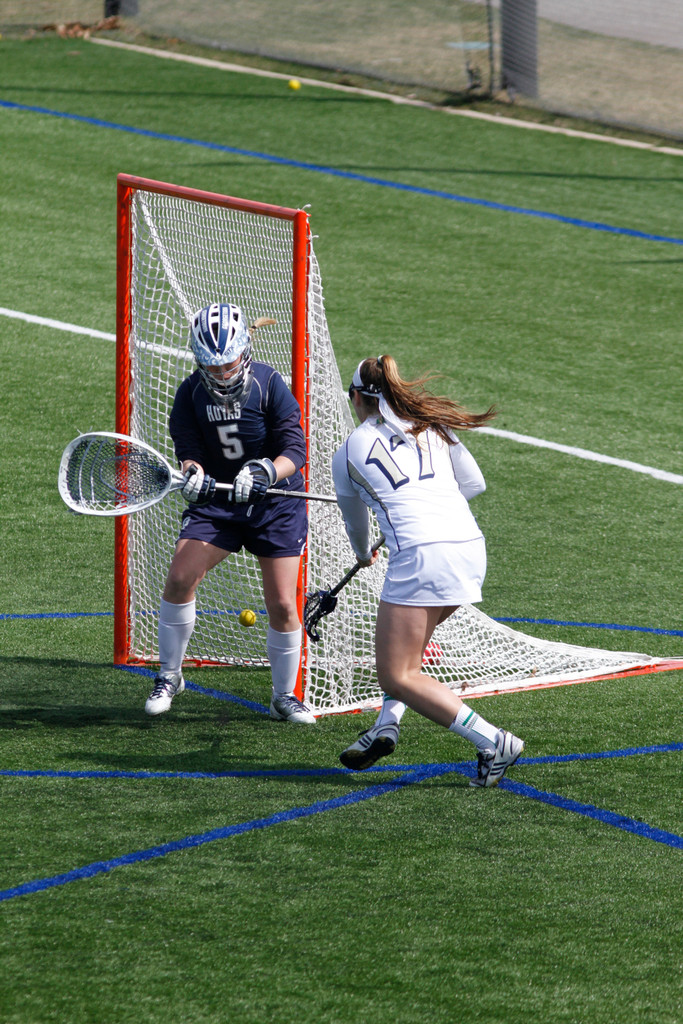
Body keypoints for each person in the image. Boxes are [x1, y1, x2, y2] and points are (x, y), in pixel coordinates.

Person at [331, 356, 524, 787]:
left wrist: (364, 553)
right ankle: (386, 725)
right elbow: (473, 484)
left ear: (359, 399)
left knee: (396, 674)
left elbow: (355, 526)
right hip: (470, 549)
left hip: (421, 558)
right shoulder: (432, 425)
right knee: (408, 655)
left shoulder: (347, 452)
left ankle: (493, 742)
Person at [144, 302, 315, 725]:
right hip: (218, 504)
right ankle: (169, 675)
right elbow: (189, 452)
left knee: (281, 602)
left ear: (246, 351)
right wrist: (194, 475)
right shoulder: (189, 394)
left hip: (276, 502)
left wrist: (264, 470)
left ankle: (283, 696)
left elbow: (296, 449)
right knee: (181, 576)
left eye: (228, 363)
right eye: (211, 365)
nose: (221, 373)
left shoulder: (270, 384)